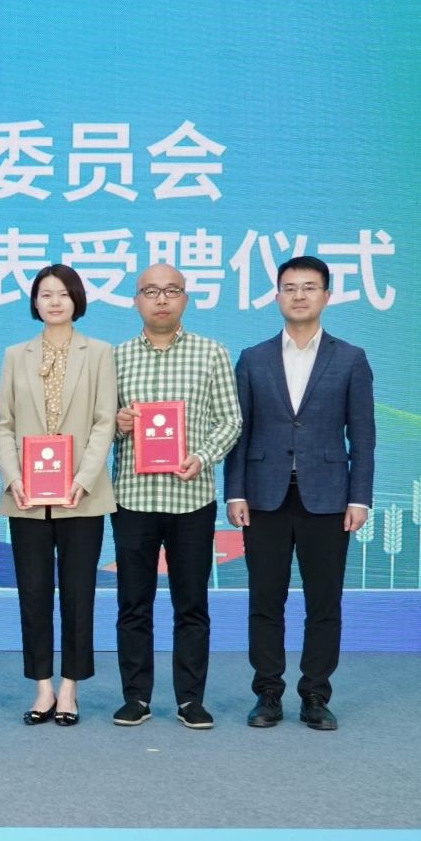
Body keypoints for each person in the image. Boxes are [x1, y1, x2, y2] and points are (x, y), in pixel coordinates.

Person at [223, 255, 375, 731]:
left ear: (326, 296)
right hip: (263, 497)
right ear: (276, 297)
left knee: (323, 602)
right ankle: (267, 692)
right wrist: (234, 492)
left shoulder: (350, 358)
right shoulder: (253, 358)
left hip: (328, 499)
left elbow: (363, 435)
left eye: (309, 287)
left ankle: (315, 694)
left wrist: (359, 497)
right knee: (264, 600)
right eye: (290, 288)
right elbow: (239, 433)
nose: (299, 295)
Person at [108, 264, 243, 730]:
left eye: (171, 290)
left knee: (192, 605)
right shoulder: (117, 358)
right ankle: (136, 697)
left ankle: (190, 699)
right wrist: (117, 425)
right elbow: (96, 425)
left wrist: (202, 457)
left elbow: (231, 420)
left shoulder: (211, 353)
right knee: (133, 605)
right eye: (151, 291)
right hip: (133, 499)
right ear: (136, 301)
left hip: (192, 500)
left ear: (186, 298)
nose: (161, 299)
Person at [0, 264, 118, 725]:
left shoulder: (99, 353)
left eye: (63, 293)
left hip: (81, 495)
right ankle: (42, 687)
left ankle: (70, 688)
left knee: (79, 594)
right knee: (33, 592)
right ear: (35, 302)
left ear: (76, 299)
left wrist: (83, 478)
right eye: (45, 294)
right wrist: (13, 477)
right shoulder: (15, 355)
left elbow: (105, 421)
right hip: (27, 497)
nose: (54, 302)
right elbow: (3, 423)